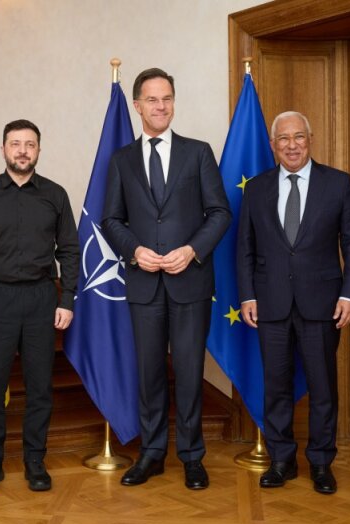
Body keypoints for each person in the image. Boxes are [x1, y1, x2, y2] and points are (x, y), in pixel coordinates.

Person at [102, 68, 232, 490]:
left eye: (168, 98)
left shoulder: (198, 152)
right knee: (150, 373)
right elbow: (111, 218)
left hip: (190, 281)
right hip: (143, 284)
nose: (161, 106)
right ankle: (152, 454)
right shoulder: (121, 159)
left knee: (192, 371)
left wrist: (192, 250)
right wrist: (135, 251)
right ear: (137, 106)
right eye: (153, 100)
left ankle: (192, 455)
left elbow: (220, 213)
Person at [236, 111, 350, 495]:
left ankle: (322, 463)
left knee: (323, 385)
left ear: (310, 140)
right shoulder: (257, 188)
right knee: (275, 385)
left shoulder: (338, 184)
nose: (291, 145)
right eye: (283, 139)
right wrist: (247, 294)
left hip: (323, 304)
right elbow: (245, 247)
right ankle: (282, 460)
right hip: (270, 304)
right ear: (273, 145)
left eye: (298, 138)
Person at [0, 119, 80, 493]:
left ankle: (35, 462)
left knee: (40, 386)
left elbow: (69, 251)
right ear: (3, 149)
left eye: (29, 144)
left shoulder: (55, 195)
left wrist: (67, 299)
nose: (22, 150)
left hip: (42, 298)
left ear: (39, 150)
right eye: (15, 143)